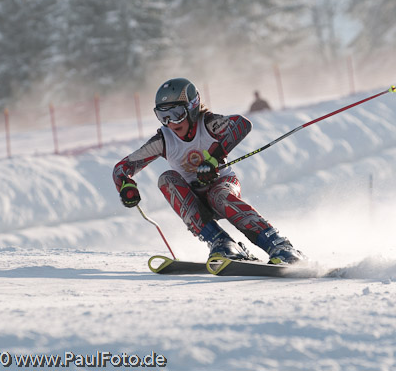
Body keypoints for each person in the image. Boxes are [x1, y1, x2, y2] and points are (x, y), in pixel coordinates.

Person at [112, 78, 305, 264]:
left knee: (218, 196)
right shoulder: (164, 139)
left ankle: (279, 245)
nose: (171, 122)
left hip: (222, 185)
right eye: (163, 116)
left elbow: (241, 124)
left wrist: (213, 159)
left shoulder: (208, 124)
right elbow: (122, 168)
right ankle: (222, 243)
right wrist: (126, 185)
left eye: (177, 113)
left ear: (192, 107)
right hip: (193, 199)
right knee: (166, 179)